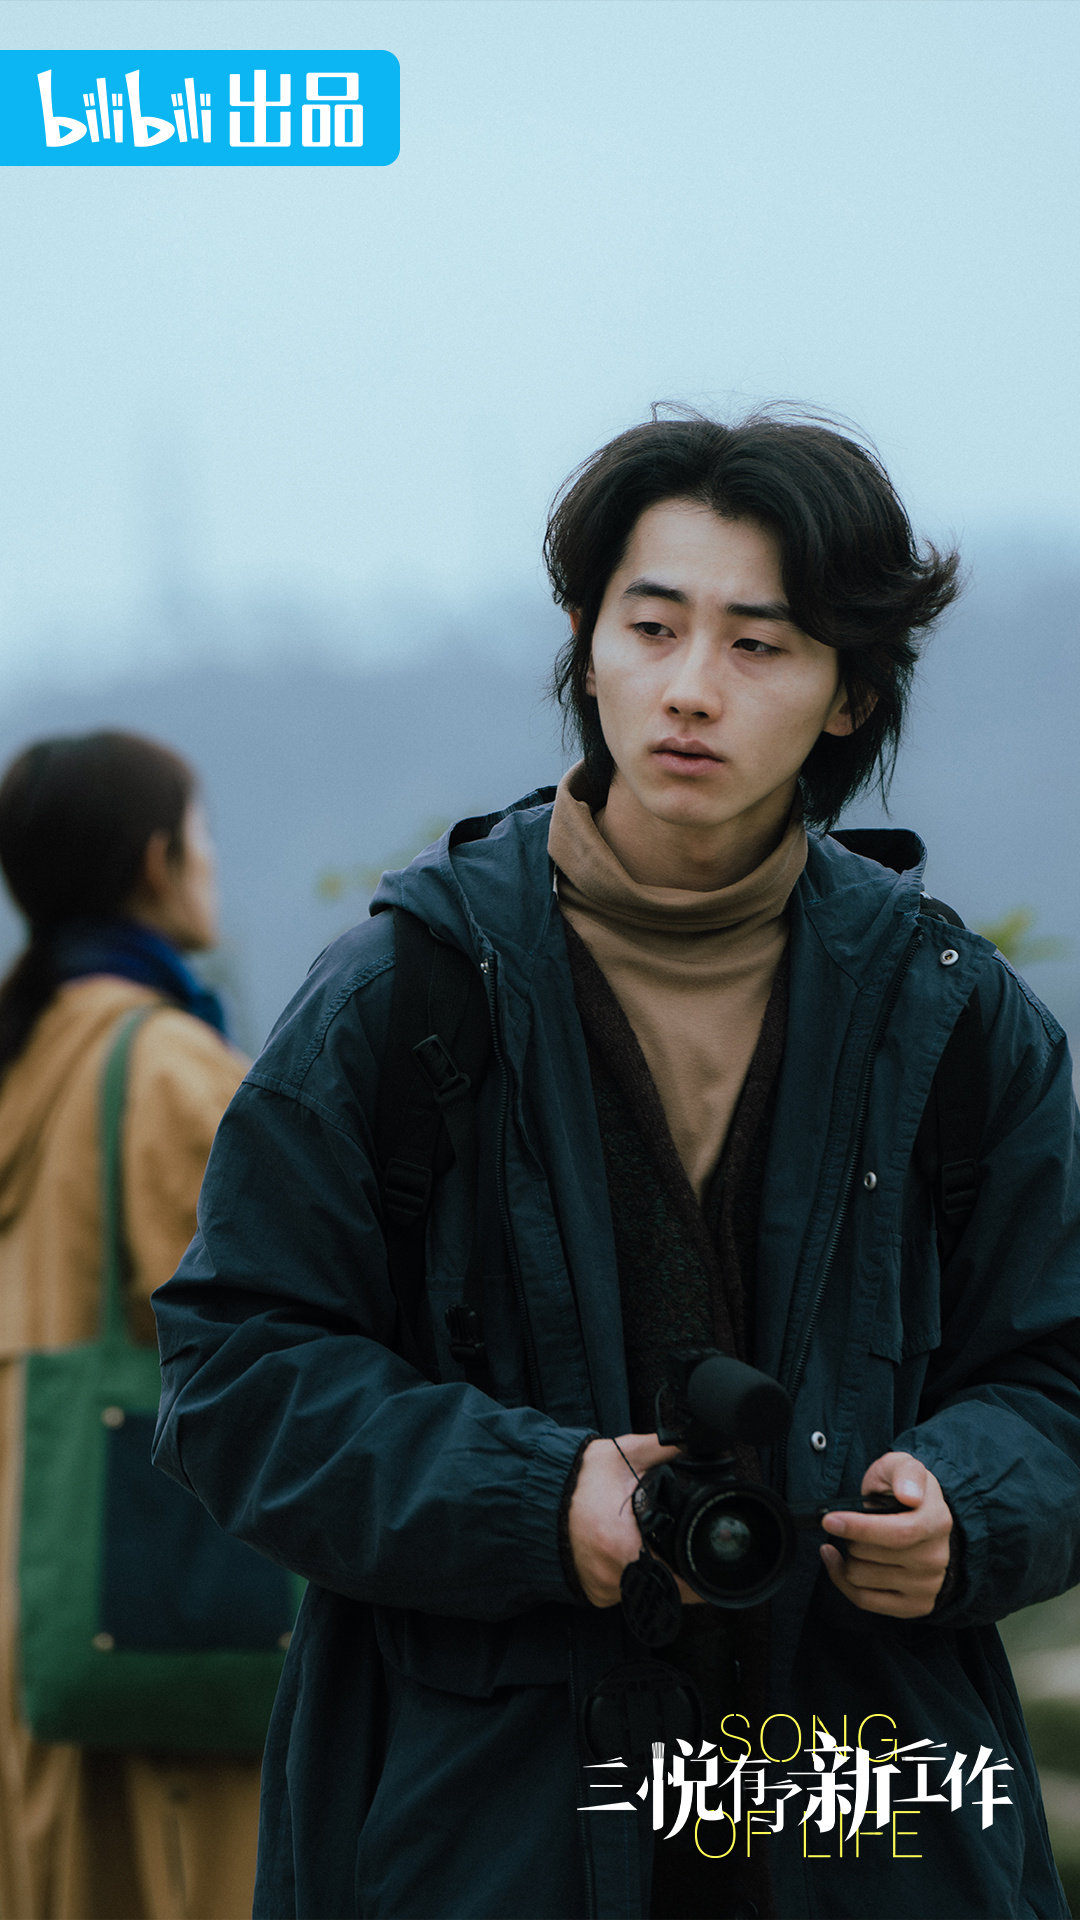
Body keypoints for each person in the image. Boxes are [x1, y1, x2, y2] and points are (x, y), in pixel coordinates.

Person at [153, 412, 1080, 1920]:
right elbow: (236, 1374)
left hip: (864, 1819)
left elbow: (1059, 1373)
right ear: (589, 650)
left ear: (851, 692)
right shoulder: (404, 998)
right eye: (651, 627)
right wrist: (542, 1498)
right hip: (482, 1822)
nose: (691, 687)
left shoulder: (955, 1019)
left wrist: (970, 1504)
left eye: (759, 645)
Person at [0, 730, 261, 1920]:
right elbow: (272, 1329)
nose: (212, 863)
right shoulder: (163, 1066)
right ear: (157, 861)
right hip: (161, 1604)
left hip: (39, 1588)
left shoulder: (30, 1053)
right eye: (199, 835)